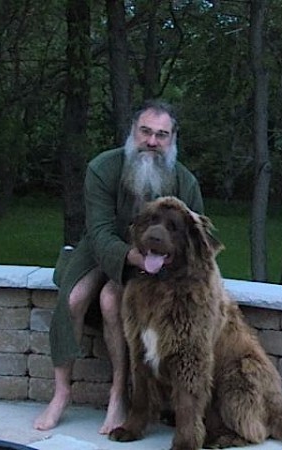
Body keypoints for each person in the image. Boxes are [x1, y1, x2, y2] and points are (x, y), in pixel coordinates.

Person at [33, 100, 204, 434]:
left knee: (112, 302)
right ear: (133, 131)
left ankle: (118, 395)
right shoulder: (102, 168)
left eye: (161, 135)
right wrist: (134, 258)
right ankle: (61, 392)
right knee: (74, 297)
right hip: (105, 246)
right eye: (146, 131)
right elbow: (98, 232)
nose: (152, 141)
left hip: (159, 260)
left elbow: (197, 240)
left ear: (172, 140)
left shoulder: (186, 184)